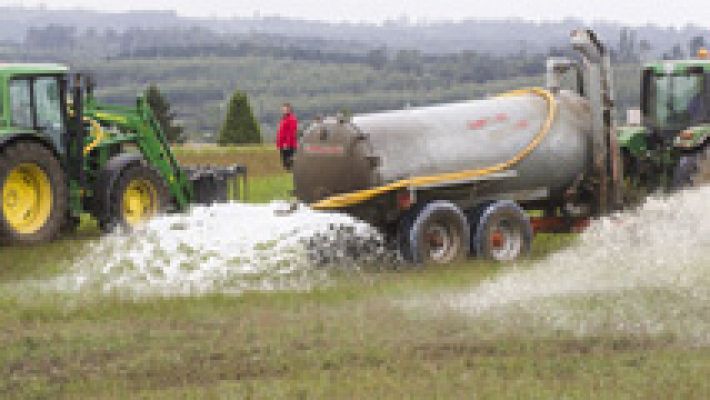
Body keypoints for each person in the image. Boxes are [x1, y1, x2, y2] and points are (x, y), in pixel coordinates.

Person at [276, 103, 298, 170]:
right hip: (283, 144)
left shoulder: (292, 119)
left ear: (290, 110)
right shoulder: (283, 119)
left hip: (289, 144)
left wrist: (287, 143)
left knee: (288, 161)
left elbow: (291, 132)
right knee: (284, 161)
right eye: (284, 109)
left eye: (286, 109)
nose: (285, 110)